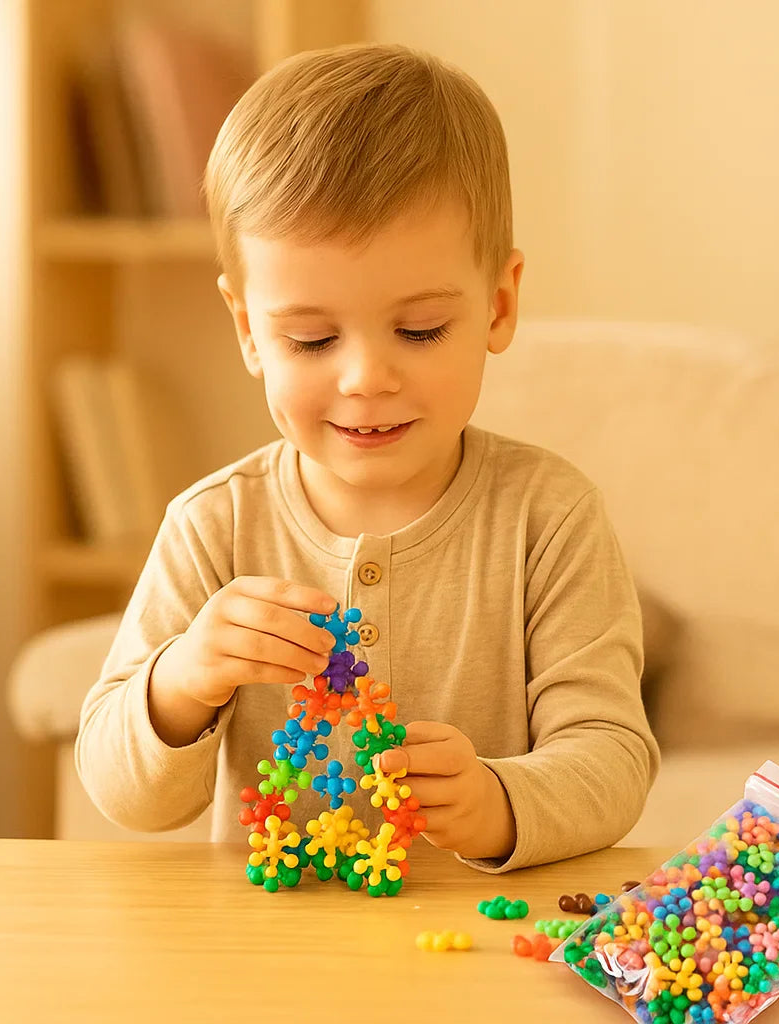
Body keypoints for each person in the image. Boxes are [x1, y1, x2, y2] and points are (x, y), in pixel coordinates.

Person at [76, 42, 659, 872]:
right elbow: (124, 791)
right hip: (272, 960)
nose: (366, 379)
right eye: (310, 338)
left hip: (476, 956)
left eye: (420, 330)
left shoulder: (549, 517)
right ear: (249, 330)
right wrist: (182, 680)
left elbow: (612, 757)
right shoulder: (214, 524)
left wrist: (498, 801)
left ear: (498, 304)